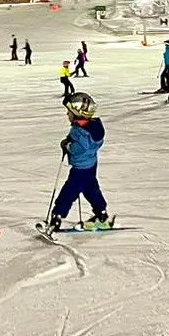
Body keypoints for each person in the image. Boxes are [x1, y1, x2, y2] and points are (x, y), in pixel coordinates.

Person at [47, 92, 111, 232]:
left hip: (80, 169)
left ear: (77, 114)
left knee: (68, 193)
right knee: (91, 190)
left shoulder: (81, 133)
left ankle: (57, 217)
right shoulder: (91, 128)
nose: (67, 114)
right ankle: (102, 213)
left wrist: (67, 145)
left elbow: (78, 149)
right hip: (90, 166)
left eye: (69, 112)